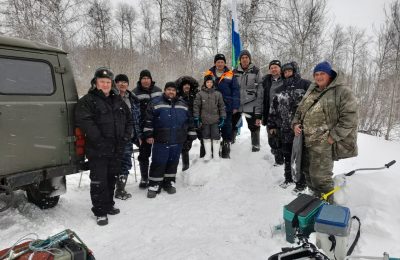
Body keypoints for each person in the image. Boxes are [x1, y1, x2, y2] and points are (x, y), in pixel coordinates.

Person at [292, 61, 358, 203]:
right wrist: (296, 123)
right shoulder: (312, 89)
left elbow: (350, 119)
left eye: (322, 73)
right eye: (316, 74)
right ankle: (315, 201)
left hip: (324, 143)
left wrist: (332, 137)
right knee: (307, 173)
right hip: (306, 140)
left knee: (320, 178)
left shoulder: (342, 91)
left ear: (330, 75)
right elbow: (300, 110)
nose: (319, 77)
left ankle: (327, 207)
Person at [75, 67, 133, 225]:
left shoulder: (118, 100)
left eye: (108, 82)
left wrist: (127, 136)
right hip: (98, 149)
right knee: (99, 181)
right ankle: (100, 211)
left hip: (117, 148)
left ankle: (108, 205)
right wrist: (101, 141)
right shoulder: (87, 101)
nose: (106, 84)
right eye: (102, 81)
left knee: (111, 178)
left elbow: (129, 119)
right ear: (95, 82)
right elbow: (86, 123)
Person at [144, 82, 196, 198]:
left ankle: (169, 182)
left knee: (173, 162)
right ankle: (154, 184)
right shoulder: (156, 103)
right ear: (164, 90)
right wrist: (148, 135)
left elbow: (190, 121)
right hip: (160, 139)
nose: (171, 92)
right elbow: (148, 120)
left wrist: (191, 135)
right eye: (168, 89)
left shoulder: (183, 104)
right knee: (158, 162)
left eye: (173, 90)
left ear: (176, 91)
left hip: (177, 139)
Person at [267, 62, 310, 191]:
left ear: (295, 71)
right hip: (284, 129)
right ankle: (288, 178)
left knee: (299, 157)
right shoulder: (280, 89)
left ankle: (301, 184)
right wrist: (272, 124)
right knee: (287, 155)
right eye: (284, 72)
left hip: (300, 130)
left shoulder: (305, 85)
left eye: (289, 71)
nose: (287, 74)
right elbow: (273, 109)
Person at [205, 53, 240, 158]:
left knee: (226, 126)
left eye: (222, 62)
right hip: (212, 106)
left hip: (227, 106)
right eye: (218, 62)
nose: (220, 64)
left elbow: (235, 90)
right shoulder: (209, 74)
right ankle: (212, 150)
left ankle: (225, 148)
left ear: (225, 63)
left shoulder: (230, 74)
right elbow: (204, 88)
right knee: (213, 126)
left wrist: (235, 106)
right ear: (215, 63)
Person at [132, 70, 162, 189]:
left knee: (159, 154)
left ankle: (157, 175)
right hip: (143, 128)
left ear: (151, 79)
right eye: (143, 78)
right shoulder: (134, 93)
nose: (145, 80)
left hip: (158, 127)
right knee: (144, 155)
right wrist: (138, 132)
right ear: (140, 79)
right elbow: (134, 113)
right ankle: (144, 178)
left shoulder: (158, 91)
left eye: (147, 78)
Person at [114, 74, 141, 200]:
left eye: (125, 82)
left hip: (128, 137)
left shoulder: (132, 98)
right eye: (119, 82)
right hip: (113, 138)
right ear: (115, 84)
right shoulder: (110, 97)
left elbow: (137, 118)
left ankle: (120, 189)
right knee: (113, 163)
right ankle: (110, 189)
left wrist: (138, 135)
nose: (122, 84)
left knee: (125, 163)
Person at [232, 50, 263, 152]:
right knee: (233, 125)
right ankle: (231, 144)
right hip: (237, 105)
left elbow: (260, 88)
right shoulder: (234, 71)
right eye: (242, 58)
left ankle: (256, 146)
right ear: (240, 60)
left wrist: (258, 106)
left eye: (246, 57)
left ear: (249, 59)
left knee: (254, 127)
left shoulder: (256, 71)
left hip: (251, 105)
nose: (244, 59)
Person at [193, 74, 226, 161]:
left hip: (215, 120)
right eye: (207, 82)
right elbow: (196, 106)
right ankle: (208, 154)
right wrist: (196, 117)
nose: (209, 83)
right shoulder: (200, 94)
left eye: (211, 82)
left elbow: (221, 106)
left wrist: (222, 117)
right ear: (204, 83)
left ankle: (216, 154)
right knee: (206, 136)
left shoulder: (217, 94)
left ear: (213, 83)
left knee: (216, 136)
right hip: (204, 120)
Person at [176, 76, 201, 171]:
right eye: (185, 85)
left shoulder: (195, 95)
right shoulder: (178, 97)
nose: (186, 86)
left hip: (195, 121)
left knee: (199, 139)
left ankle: (202, 161)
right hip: (182, 123)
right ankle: (185, 166)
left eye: (188, 85)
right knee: (185, 145)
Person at [262, 60, 284, 165]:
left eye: (276, 67)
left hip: (283, 115)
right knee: (272, 138)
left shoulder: (286, 79)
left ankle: (282, 160)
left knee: (283, 138)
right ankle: (277, 157)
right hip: (270, 114)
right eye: (272, 68)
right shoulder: (266, 80)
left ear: (280, 68)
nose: (274, 69)